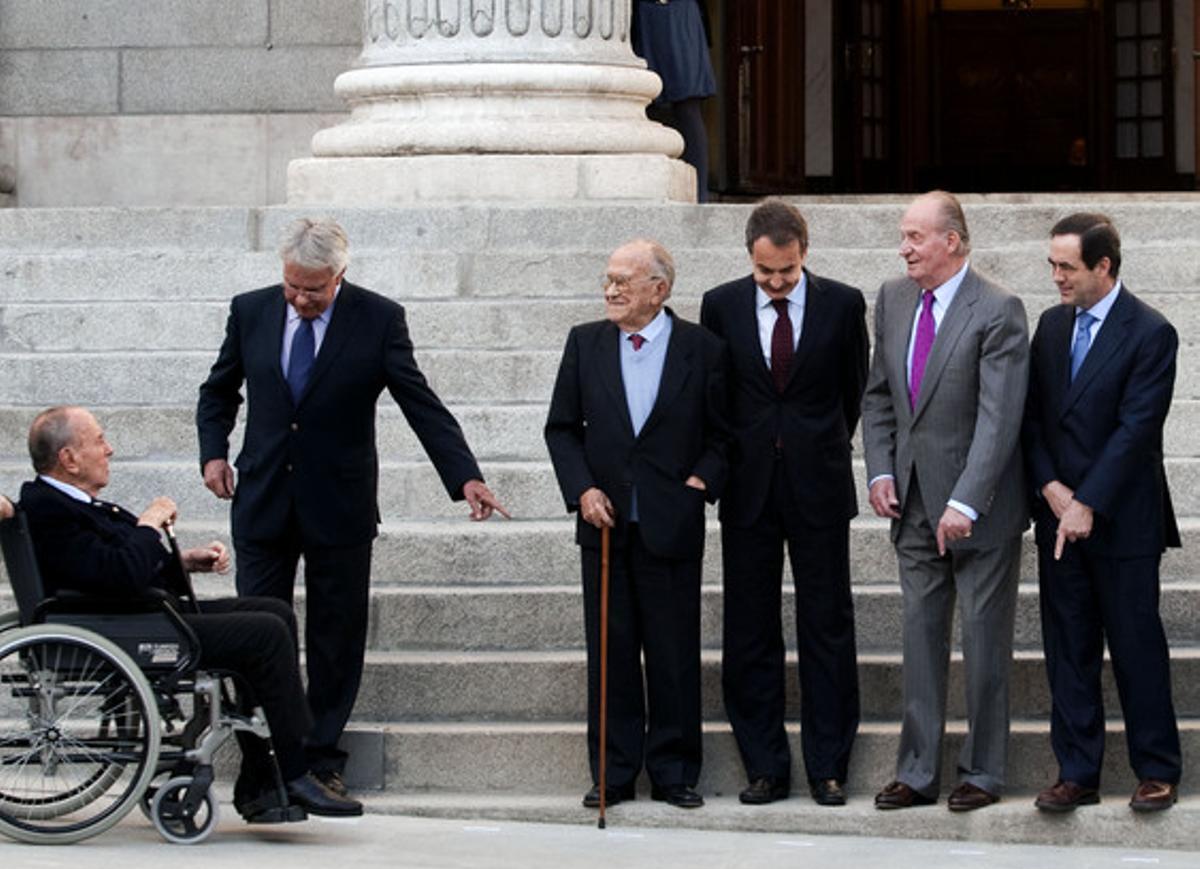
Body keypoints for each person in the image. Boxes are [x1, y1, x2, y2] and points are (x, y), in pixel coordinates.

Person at [196, 217, 508, 794]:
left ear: (340, 275)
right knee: (257, 629)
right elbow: (218, 390)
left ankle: (318, 756)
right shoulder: (251, 311)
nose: (300, 298)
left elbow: (420, 402)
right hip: (262, 498)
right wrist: (213, 454)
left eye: (313, 289)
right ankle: (263, 756)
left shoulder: (378, 318)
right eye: (292, 285)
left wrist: (464, 475)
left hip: (338, 503)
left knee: (336, 636)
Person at [15, 406, 362, 822]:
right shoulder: (50, 509)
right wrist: (148, 523)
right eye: (99, 441)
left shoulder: (67, 503)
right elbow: (119, 572)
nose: (110, 449)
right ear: (69, 459)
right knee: (264, 633)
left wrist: (187, 561)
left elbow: (109, 566)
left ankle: (262, 776)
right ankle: (293, 770)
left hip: (134, 615)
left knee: (272, 611)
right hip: (124, 628)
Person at [545, 239, 729, 809]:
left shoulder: (703, 348)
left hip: (670, 521)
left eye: (625, 281)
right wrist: (582, 490)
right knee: (611, 650)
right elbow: (561, 429)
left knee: (673, 651)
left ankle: (674, 772)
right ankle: (613, 773)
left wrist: (701, 481)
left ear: (660, 289)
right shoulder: (585, 343)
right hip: (604, 524)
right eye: (608, 279)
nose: (611, 290)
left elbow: (726, 432)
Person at [861, 191, 1029, 812]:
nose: (903, 247)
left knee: (985, 645)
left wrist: (967, 501)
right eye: (903, 236)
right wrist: (879, 470)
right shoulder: (894, 297)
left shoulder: (999, 308)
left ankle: (982, 773)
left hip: (978, 511)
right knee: (919, 641)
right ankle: (917, 770)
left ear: (951, 242)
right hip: (911, 504)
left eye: (914, 236)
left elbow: (999, 418)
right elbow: (879, 395)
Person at [699, 200, 868, 806]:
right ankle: (765, 765)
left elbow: (853, 392)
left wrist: (811, 445)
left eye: (787, 271)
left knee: (827, 625)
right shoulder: (719, 305)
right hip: (747, 491)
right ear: (750, 257)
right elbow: (715, 395)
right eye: (766, 272)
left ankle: (829, 765)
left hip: (819, 486)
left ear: (804, 254)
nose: (776, 282)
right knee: (750, 631)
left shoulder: (843, 305)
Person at [1024, 213, 1182, 813]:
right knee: (1069, 648)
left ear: (1103, 267)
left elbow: (1137, 429)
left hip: (1123, 521)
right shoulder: (1049, 325)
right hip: (1057, 517)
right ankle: (1077, 771)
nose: (1057, 277)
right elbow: (1032, 417)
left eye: (1067, 267)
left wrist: (1087, 500)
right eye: (1053, 266)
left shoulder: (1150, 332)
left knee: (1136, 645)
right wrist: (1053, 489)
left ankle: (1158, 768)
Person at [632, 0, 716, 202]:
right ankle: (643, 189)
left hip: (680, 14)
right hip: (645, 15)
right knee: (639, 103)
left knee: (688, 108)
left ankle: (699, 195)